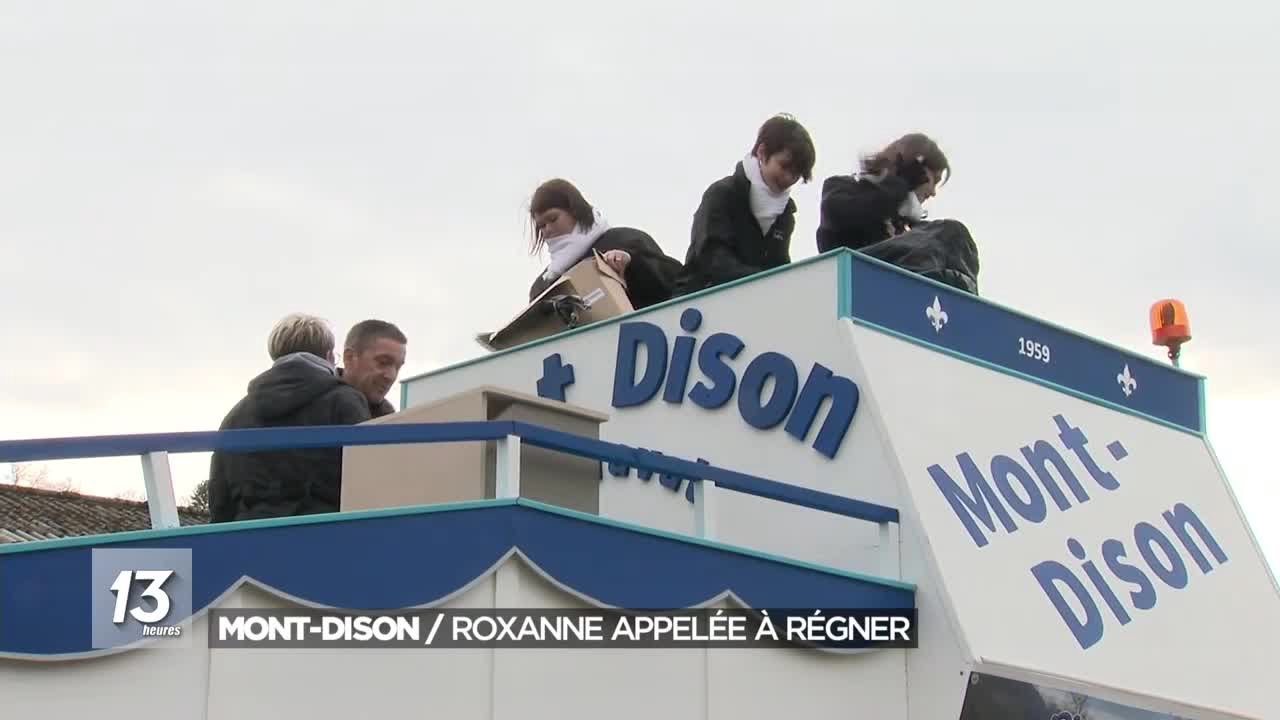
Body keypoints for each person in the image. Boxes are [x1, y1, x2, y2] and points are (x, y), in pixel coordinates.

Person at [208, 314, 372, 523]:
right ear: (329, 356)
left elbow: (220, 497)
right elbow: (367, 477)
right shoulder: (345, 400)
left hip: (251, 534)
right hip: (327, 533)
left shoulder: (236, 416)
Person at [816, 132, 979, 293]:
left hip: (889, 282)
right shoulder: (841, 187)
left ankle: (961, 301)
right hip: (853, 274)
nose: (933, 192)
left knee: (955, 238)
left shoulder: (909, 226)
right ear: (917, 168)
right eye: (934, 180)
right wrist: (899, 184)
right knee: (949, 231)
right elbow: (840, 214)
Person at [674, 114, 816, 295]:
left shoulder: (785, 214)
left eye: (796, 174)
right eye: (784, 166)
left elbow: (779, 266)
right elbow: (712, 259)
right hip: (699, 300)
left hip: (753, 301)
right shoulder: (722, 194)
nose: (788, 178)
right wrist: (765, 281)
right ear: (762, 152)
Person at [527, 179, 683, 310]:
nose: (547, 230)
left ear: (575, 211)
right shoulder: (543, 285)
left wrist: (632, 263)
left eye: (553, 219)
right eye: (541, 226)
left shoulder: (626, 240)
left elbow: (676, 282)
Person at [340, 319, 408, 418]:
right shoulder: (317, 406)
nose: (391, 376)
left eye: (398, 367)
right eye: (383, 362)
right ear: (349, 357)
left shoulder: (387, 416)